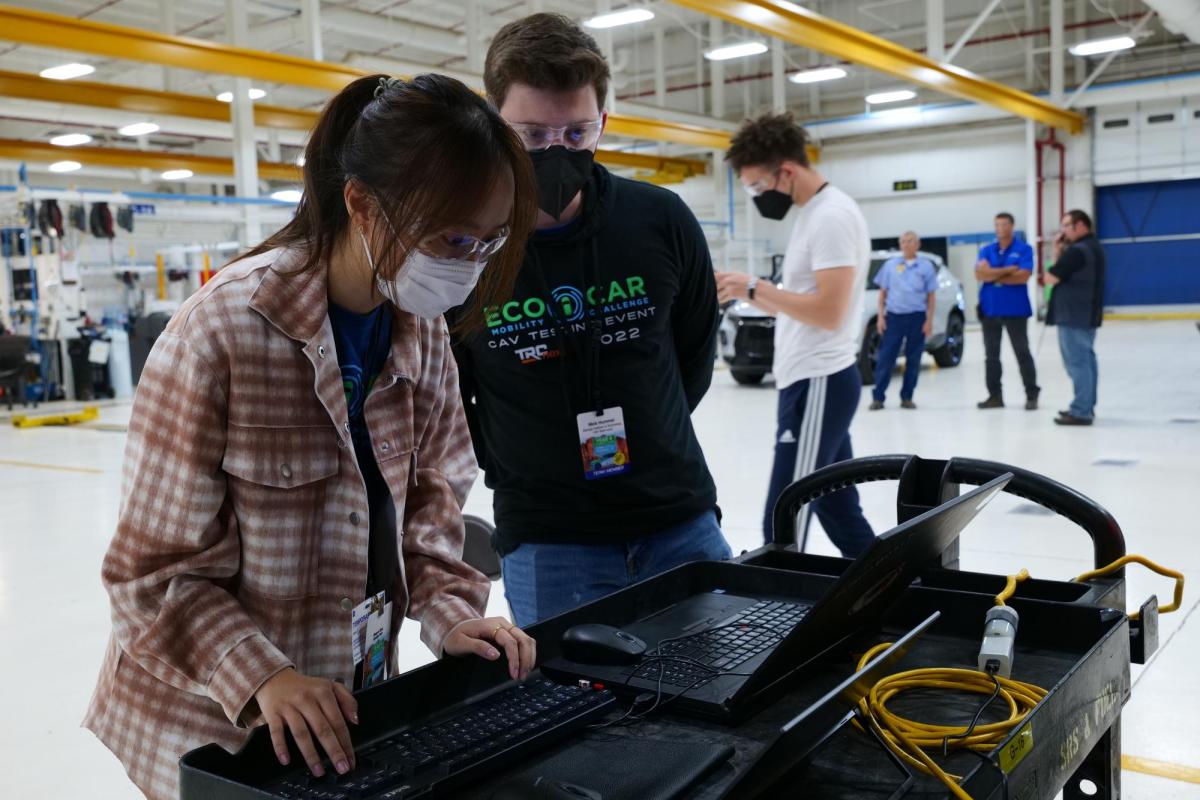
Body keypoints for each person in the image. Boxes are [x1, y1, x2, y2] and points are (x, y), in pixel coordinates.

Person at [83, 74, 539, 800]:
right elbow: (153, 575)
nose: (467, 264)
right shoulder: (223, 331)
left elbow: (434, 508)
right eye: (450, 238)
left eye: (489, 243)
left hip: (343, 702)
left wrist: (452, 615)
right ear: (362, 203)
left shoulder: (420, 334)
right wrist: (263, 674)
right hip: (208, 721)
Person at [451, 14, 727, 628]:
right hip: (551, 541)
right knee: (574, 716)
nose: (557, 152)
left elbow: (693, 356)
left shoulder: (661, 219)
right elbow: (450, 391)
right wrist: (515, 458)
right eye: (533, 134)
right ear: (495, 126)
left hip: (678, 521)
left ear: (603, 121)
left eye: (576, 134)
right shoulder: (465, 244)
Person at [715, 112, 875, 556]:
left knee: (784, 513)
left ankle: (775, 611)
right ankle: (895, 592)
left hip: (820, 381)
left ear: (785, 172)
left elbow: (828, 311)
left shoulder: (832, 217)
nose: (758, 197)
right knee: (838, 511)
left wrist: (755, 287)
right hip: (810, 381)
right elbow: (802, 305)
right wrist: (745, 291)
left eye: (757, 187)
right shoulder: (813, 214)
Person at [1045, 209, 1106, 426]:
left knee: (1078, 363)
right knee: (1086, 362)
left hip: (1073, 315)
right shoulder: (1093, 247)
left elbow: (1050, 277)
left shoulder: (1077, 251)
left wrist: (1056, 251)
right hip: (1086, 314)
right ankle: (1086, 405)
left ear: (1080, 225)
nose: (1063, 231)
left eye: (1066, 226)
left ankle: (1081, 411)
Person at [975, 212, 1040, 410]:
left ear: (1012, 226)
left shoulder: (1024, 249)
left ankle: (1031, 395)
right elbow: (979, 274)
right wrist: (1008, 270)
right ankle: (995, 396)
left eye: (1004, 224)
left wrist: (992, 275)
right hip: (990, 310)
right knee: (991, 355)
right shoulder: (986, 250)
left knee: (1022, 352)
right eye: (997, 225)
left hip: (1015, 310)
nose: (1000, 228)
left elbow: (1023, 277)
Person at [869, 231, 938, 410]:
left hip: (917, 318)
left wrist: (929, 321)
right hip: (894, 318)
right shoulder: (890, 266)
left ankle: (907, 397)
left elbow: (931, 296)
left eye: (910, 241)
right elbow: (882, 294)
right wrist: (880, 318)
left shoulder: (926, 267)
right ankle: (878, 397)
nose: (906, 245)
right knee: (886, 358)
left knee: (913, 360)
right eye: (903, 242)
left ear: (917, 244)